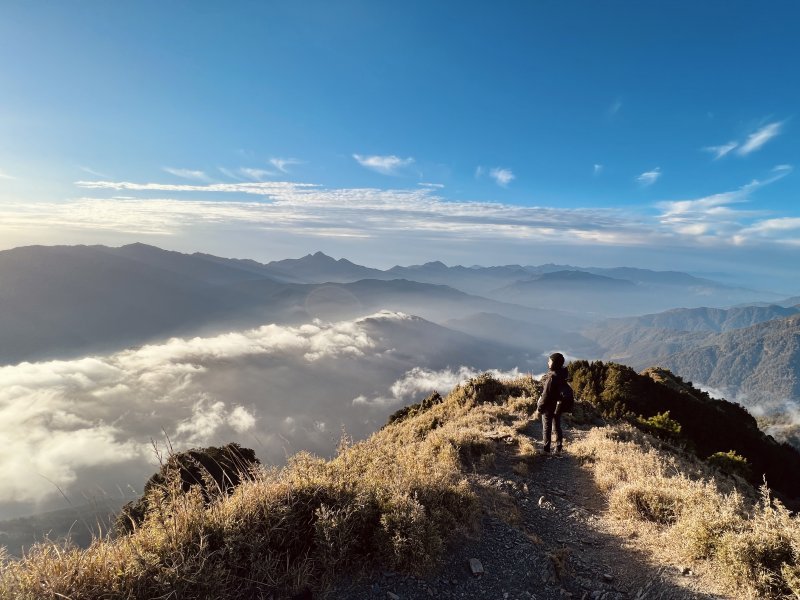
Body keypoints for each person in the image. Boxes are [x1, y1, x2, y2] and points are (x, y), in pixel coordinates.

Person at [535, 352, 569, 453]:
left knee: (547, 427)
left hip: (549, 406)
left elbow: (545, 395)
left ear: (554, 363)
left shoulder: (552, 377)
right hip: (558, 405)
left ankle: (546, 450)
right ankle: (558, 447)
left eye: (550, 361)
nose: (548, 363)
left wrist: (540, 407)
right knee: (557, 426)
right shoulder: (563, 373)